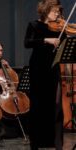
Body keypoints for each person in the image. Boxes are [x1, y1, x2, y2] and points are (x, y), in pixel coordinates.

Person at [24, 0, 67, 150]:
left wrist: (65, 33)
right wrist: (46, 40)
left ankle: (56, 143)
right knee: (37, 105)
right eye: (54, 11)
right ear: (45, 11)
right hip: (38, 68)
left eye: (58, 11)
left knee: (55, 104)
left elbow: (63, 43)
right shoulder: (34, 25)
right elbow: (27, 43)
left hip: (53, 67)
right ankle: (36, 143)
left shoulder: (59, 27)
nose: (58, 14)